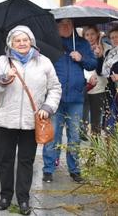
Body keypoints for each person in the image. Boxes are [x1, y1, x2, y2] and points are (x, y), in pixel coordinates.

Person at [0, 25, 61, 215]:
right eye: (17, 40)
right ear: (11, 43)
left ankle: (24, 199)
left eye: (25, 40)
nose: (21, 43)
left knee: (26, 161)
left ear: (31, 42)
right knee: (6, 160)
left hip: (31, 120)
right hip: (5, 120)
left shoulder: (44, 62)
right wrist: (3, 80)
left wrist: (47, 107)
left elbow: (55, 88)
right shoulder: (3, 62)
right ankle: (5, 196)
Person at [42, 19, 97, 184]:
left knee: (74, 136)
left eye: (69, 24)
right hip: (55, 98)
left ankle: (74, 170)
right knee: (53, 135)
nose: (65, 27)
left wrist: (81, 58)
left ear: (73, 25)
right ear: (56, 26)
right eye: (62, 24)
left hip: (76, 98)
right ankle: (48, 169)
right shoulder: (50, 43)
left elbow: (93, 63)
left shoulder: (81, 43)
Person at [81, 25, 110, 137]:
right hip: (84, 86)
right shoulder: (80, 48)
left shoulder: (106, 48)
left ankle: (94, 149)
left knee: (96, 120)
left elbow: (105, 69)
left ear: (98, 34)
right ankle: (82, 139)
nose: (90, 37)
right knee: (82, 119)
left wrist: (100, 56)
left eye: (92, 34)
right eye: (87, 35)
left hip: (99, 88)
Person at [97, 25, 118, 133]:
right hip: (110, 91)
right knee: (109, 123)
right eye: (112, 37)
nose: (115, 39)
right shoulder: (109, 53)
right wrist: (100, 57)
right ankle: (110, 149)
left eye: (117, 37)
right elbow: (100, 72)